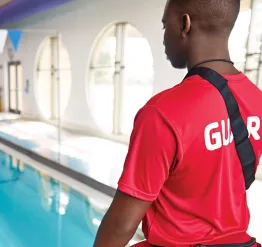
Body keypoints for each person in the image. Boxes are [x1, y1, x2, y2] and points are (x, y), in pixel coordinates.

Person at [93, 0, 262, 246]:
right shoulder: (257, 100)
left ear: (185, 24)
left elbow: (122, 225)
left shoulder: (161, 113)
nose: (164, 37)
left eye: (165, 26)